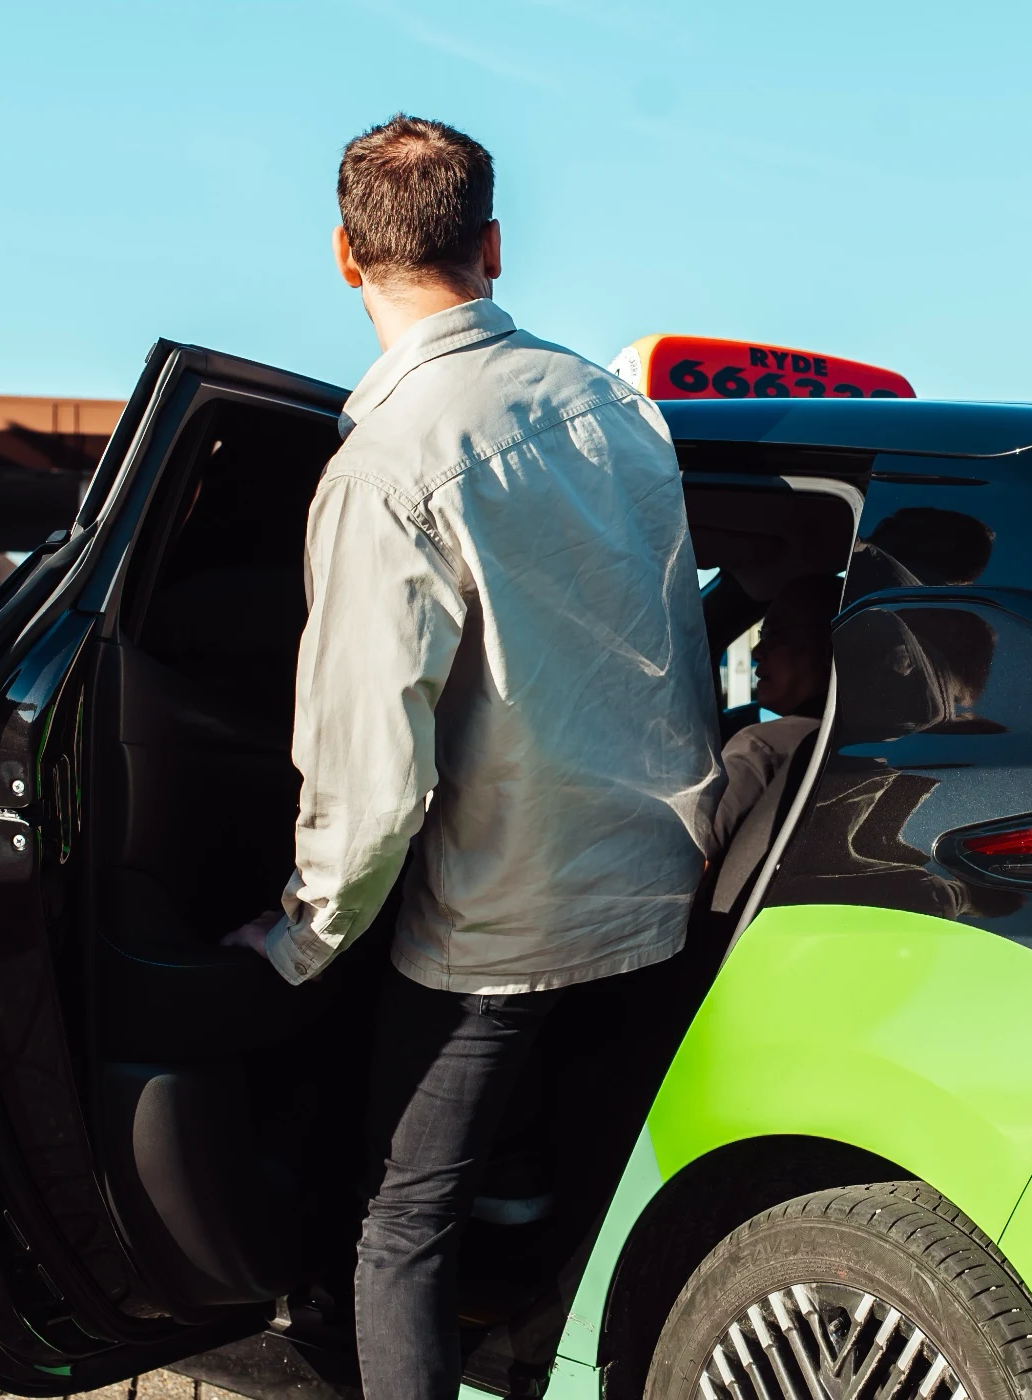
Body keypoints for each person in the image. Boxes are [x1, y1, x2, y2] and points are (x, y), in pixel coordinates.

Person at [221, 114, 720, 1398]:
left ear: (344, 256)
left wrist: (298, 938)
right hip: (657, 897)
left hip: (494, 931)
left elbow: (372, 774)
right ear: (492, 244)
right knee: (576, 1203)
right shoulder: (622, 410)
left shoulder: (386, 463)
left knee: (400, 1231)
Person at [708, 574, 838, 852]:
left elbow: (688, 868)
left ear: (831, 649)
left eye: (775, 635)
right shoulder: (871, 747)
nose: (756, 652)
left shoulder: (759, 749)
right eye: (760, 636)